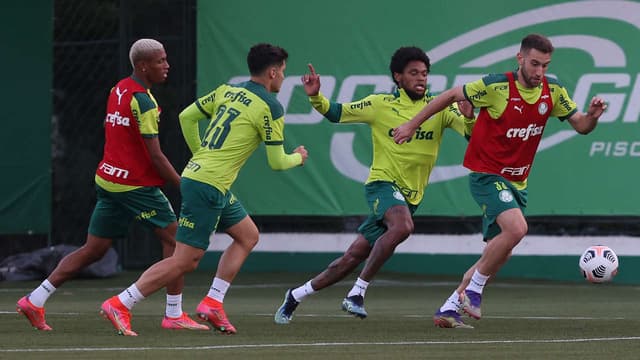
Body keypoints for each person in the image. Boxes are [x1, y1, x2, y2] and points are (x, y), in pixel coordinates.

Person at [393, 34, 607, 328]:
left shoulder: (553, 91)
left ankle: (451, 306)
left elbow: (581, 126)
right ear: (520, 59)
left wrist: (593, 117)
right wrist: (410, 124)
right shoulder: (496, 86)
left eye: (545, 65)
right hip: (486, 173)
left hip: (517, 182)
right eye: (534, 64)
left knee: (498, 253)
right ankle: (474, 290)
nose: (539, 72)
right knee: (518, 229)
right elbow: (451, 96)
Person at [99, 43, 308, 336]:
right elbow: (277, 161)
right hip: (208, 186)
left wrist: (200, 154)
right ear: (272, 72)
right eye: (283, 72)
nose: (283, 78)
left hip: (205, 180)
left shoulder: (227, 90)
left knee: (247, 235)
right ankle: (122, 302)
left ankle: (213, 303)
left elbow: (187, 117)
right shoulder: (271, 107)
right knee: (185, 260)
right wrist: (299, 157)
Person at [16, 39, 208, 332]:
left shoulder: (118, 88)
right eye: (160, 61)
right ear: (143, 66)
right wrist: (185, 185)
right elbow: (155, 156)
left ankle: (35, 298)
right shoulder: (143, 100)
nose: (166, 65)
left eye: (166, 59)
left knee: (93, 250)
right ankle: (169, 313)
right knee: (179, 242)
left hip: (108, 179)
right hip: (134, 186)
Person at [274, 46, 475, 325]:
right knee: (403, 227)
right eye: (413, 73)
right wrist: (316, 97)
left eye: (425, 74)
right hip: (382, 184)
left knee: (351, 257)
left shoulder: (439, 108)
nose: (421, 79)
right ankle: (357, 293)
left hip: (410, 197)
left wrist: (468, 115)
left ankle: (296, 294)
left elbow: (471, 136)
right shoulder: (380, 104)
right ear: (398, 76)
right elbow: (336, 112)